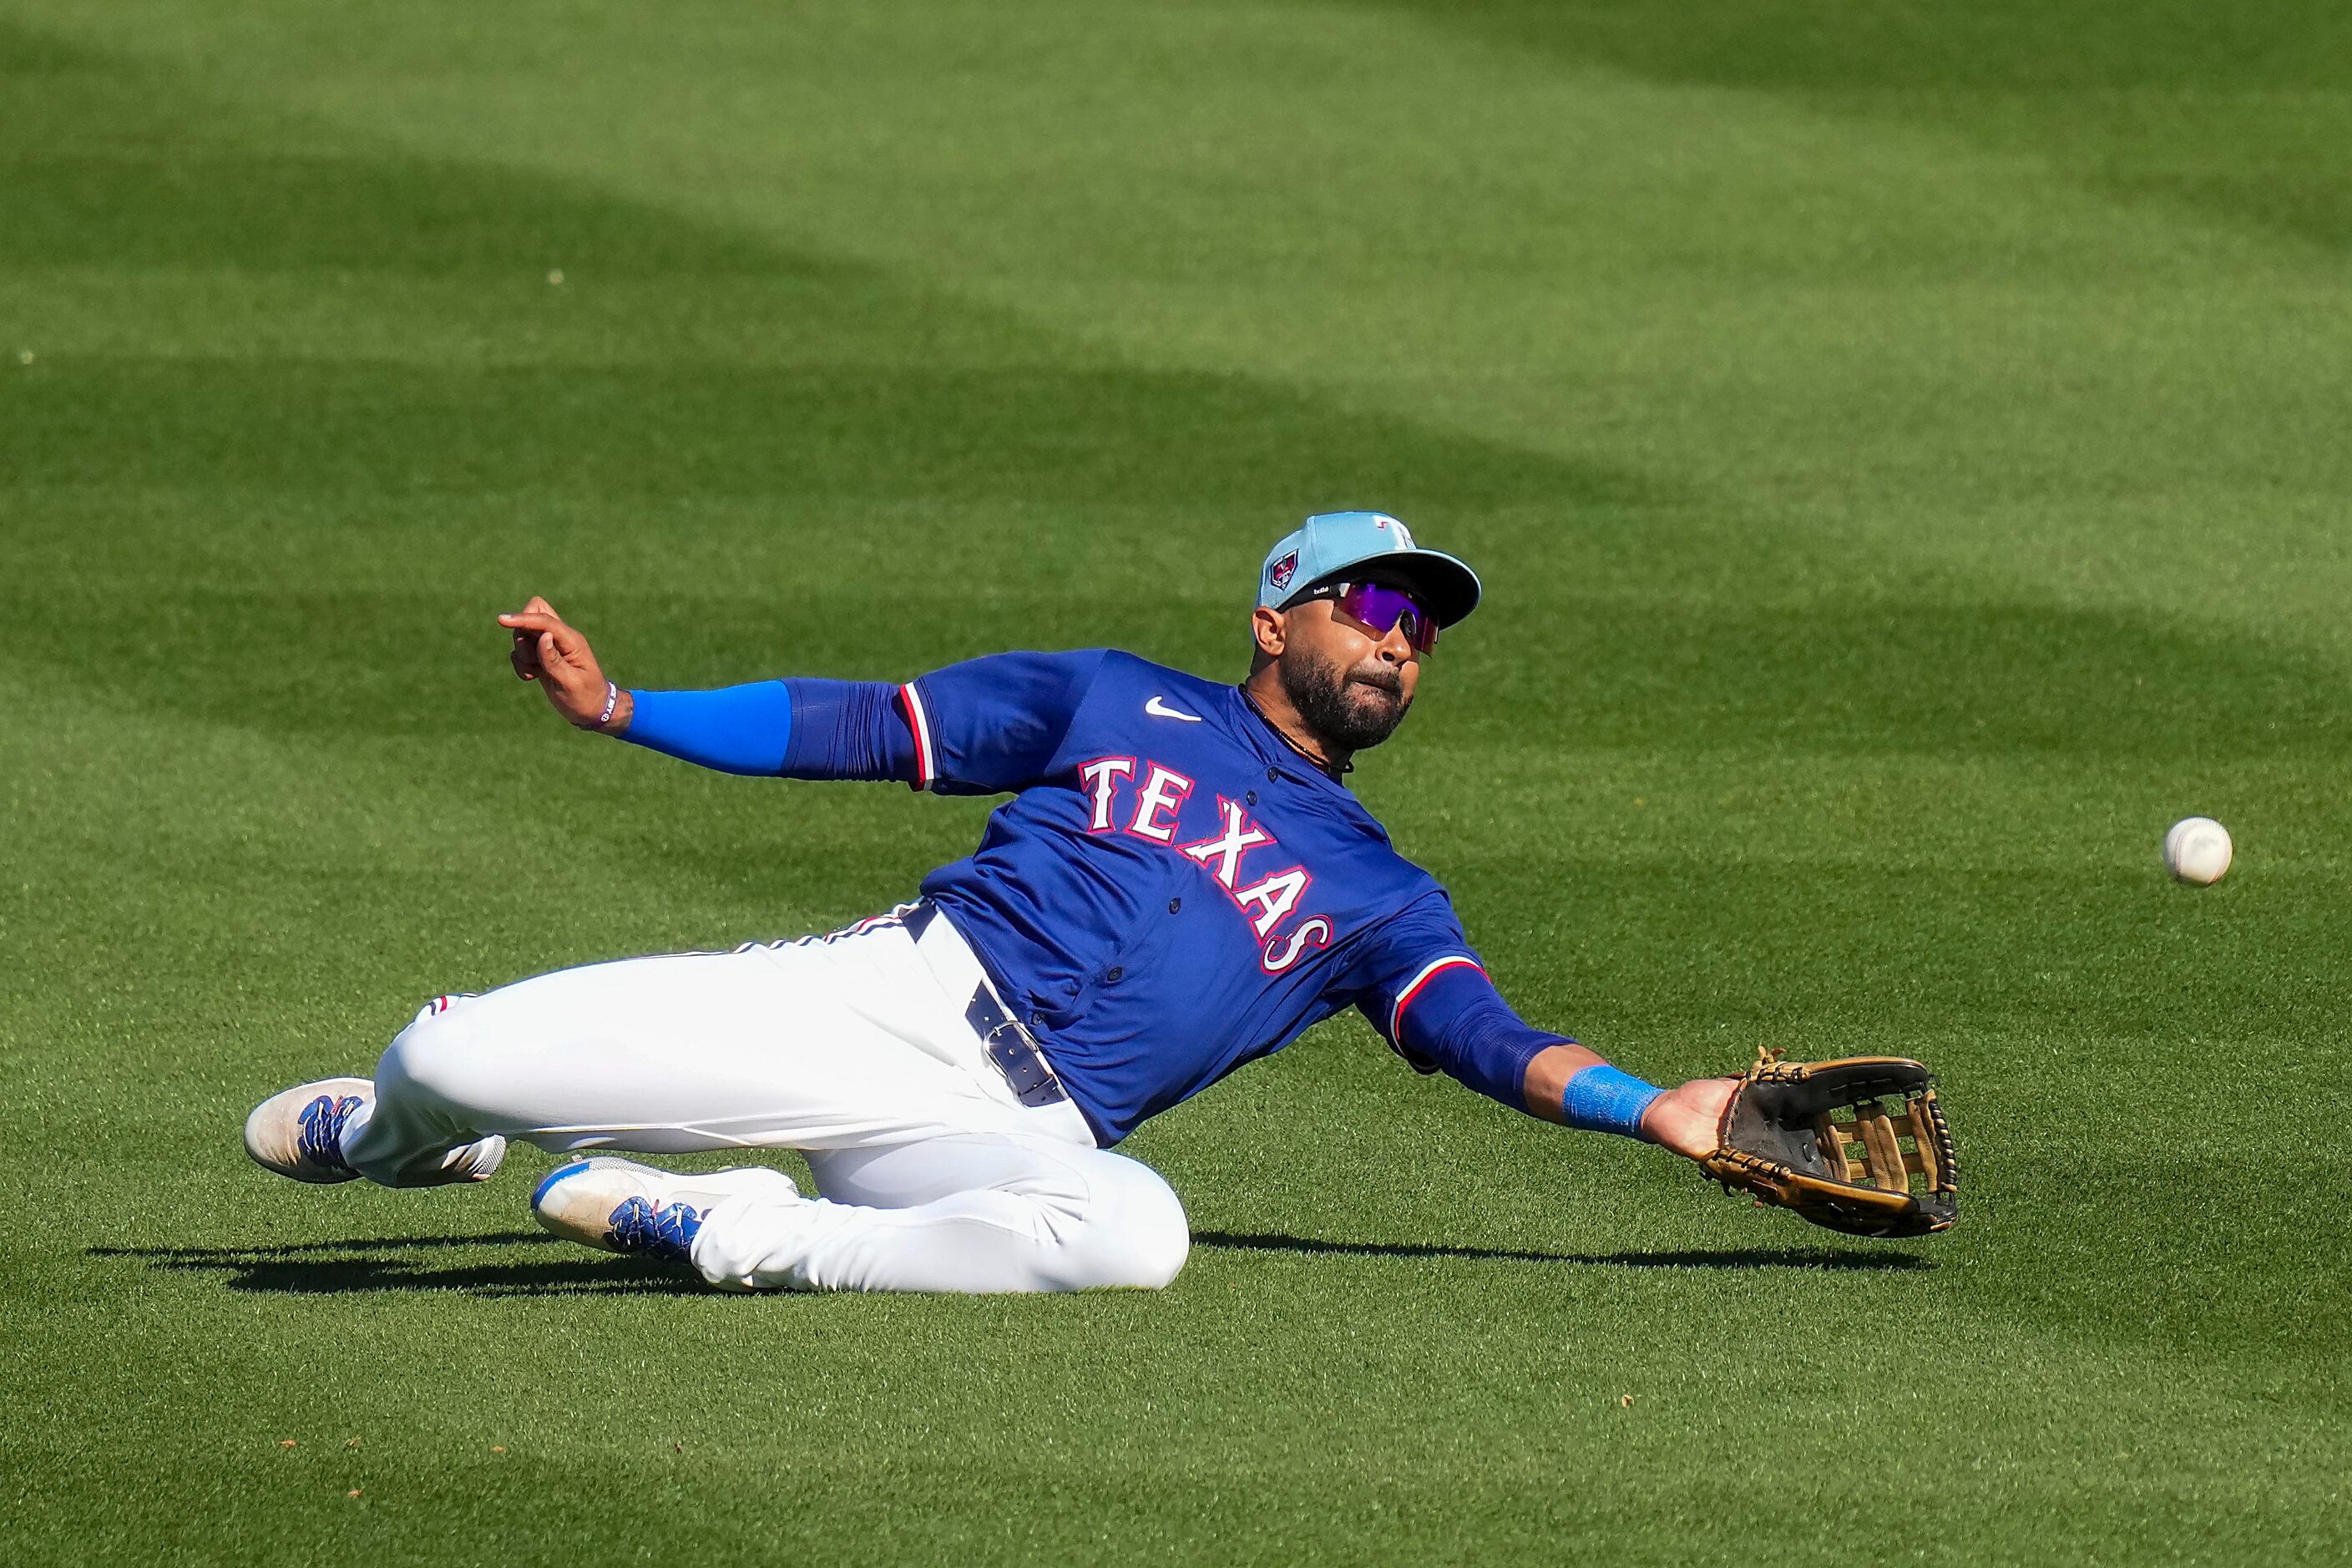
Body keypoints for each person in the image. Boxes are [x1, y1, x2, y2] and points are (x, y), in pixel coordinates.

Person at [244, 512, 1736, 1292]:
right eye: (1377, 606)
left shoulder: (1380, 892)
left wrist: (1649, 1107)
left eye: (1424, 630)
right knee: (441, 1064)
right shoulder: (1113, 697)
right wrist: (623, 706)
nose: (1403, 645)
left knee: (1128, 1237)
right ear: (1277, 617)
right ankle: (397, 1143)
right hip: (876, 1004)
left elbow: (1483, 1033)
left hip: (1003, 1130)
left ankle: (721, 1226)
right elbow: (862, 723)